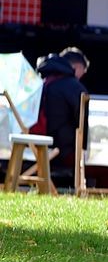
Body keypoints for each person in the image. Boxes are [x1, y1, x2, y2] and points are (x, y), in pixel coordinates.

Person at [31, 48, 89, 184]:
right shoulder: (74, 86)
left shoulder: (39, 80)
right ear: (77, 66)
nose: (82, 75)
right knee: (107, 170)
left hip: (34, 146)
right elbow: (83, 122)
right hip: (61, 151)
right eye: (83, 71)